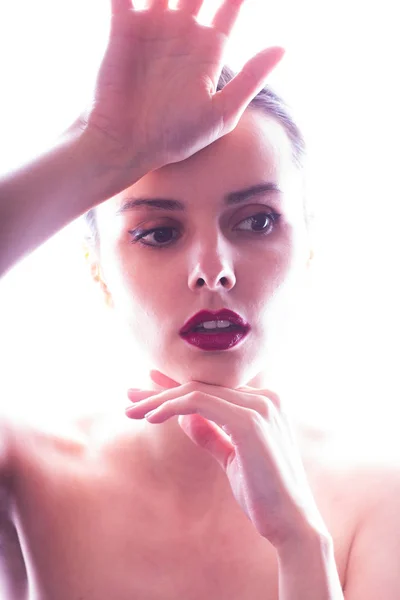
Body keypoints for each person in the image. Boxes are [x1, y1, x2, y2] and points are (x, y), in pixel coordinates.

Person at [0, 0, 399, 598]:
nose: (213, 272)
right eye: (159, 233)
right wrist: (97, 149)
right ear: (97, 270)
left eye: (257, 222)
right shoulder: (25, 467)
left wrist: (301, 545)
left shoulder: (381, 498)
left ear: (310, 245)